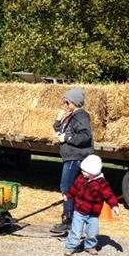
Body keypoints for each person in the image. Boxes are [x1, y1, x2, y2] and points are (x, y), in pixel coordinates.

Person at [50, 87, 94, 235]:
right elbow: (60, 131)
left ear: (74, 102)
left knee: (67, 188)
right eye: (64, 101)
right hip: (70, 157)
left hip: (75, 157)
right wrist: (58, 120)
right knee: (72, 189)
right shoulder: (71, 116)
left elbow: (85, 136)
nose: (64, 104)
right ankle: (74, 222)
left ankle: (68, 221)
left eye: (66, 102)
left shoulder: (81, 116)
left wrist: (67, 138)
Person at [63, 154, 120, 256]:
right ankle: (71, 246)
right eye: (82, 170)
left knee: (92, 232)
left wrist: (114, 205)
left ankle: (90, 246)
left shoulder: (102, 183)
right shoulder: (81, 179)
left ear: (93, 173)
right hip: (79, 211)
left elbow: (109, 195)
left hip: (93, 214)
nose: (82, 172)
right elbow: (74, 189)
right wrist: (68, 195)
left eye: (85, 171)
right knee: (76, 231)